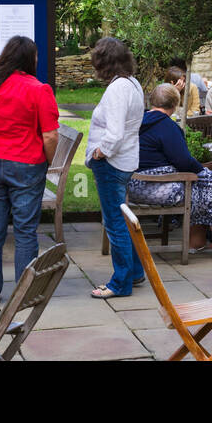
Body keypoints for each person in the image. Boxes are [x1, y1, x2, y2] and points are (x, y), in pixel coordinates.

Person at [0, 36, 60, 306]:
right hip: (27, 164)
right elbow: (50, 136)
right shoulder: (39, 89)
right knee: (26, 231)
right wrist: (48, 162)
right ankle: (24, 296)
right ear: (30, 60)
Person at [133, 84, 212, 260]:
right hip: (158, 188)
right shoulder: (167, 126)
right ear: (176, 103)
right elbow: (183, 161)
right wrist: (203, 171)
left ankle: (196, 243)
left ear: (152, 101)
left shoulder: (139, 121)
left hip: (134, 185)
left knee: (201, 188)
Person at [85, 37, 145, 299]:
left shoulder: (118, 88)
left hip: (112, 163)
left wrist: (100, 152)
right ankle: (135, 272)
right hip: (126, 160)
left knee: (115, 224)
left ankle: (120, 283)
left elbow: (115, 132)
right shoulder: (132, 83)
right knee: (124, 220)